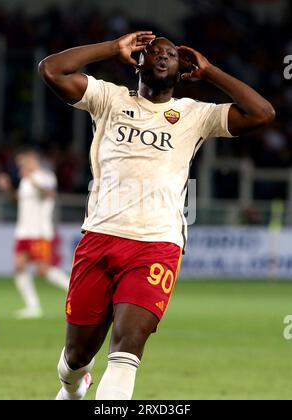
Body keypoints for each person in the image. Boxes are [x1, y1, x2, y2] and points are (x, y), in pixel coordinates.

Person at [39, 31, 275, 400]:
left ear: (182, 69)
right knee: (77, 355)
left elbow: (262, 113)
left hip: (157, 243)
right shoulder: (109, 98)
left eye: (171, 55)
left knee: (126, 347)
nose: (163, 56)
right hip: (101, 236)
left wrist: (211, 71)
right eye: (154, 51)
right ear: (138, 61)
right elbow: (51, 69)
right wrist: (110, 49)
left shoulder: (194, 114)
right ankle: (72, 389)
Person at [0, 148, 69, 319]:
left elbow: (49, 193)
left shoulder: (46, 176)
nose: (19, 166)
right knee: (19, 266)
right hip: (23, 231)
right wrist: (7, 189)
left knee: (42, 270)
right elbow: (19, 202)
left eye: (22, 163)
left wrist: (32, 179)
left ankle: (74, 291)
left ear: (32, 160)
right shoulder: (24, 181)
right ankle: (32, 306)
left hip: (40, 231)